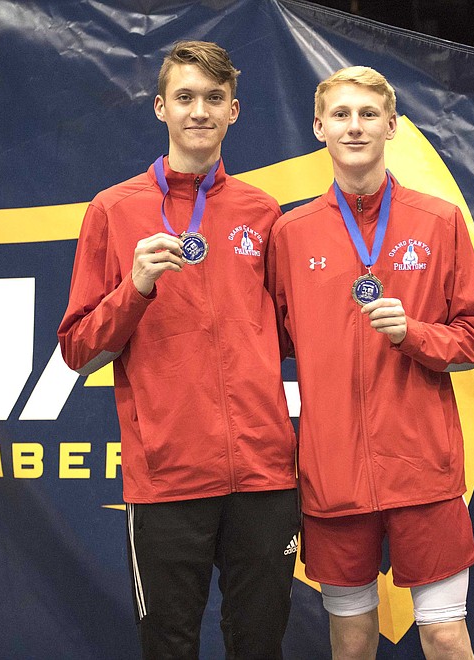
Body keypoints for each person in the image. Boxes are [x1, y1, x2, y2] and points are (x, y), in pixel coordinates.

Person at [58, 41, 299, 659]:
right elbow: (78, 350)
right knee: (169, 647)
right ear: (160, 108)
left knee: (260, 645)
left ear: (235, 111)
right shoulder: (113, 211)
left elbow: (295, 334)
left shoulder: (263, 212)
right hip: (168, 478)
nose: (200, 111)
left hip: (263, 475)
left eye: (213, 98)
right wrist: (134, 288)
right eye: (185, 97)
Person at [267, 66, 474, 660]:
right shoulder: (291, 234)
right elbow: (265, 342)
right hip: (333, 476)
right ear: (319, 127)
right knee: (350, 641)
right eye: (340, 114)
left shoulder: (438, 222)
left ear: (392, 125)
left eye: (368, 114)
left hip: (422, 471)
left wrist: (415, 335)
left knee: (445, 635)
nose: (355, 126)